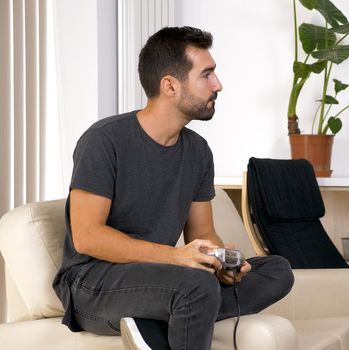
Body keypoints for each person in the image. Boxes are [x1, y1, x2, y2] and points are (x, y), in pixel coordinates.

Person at [52, 26, 294, 350]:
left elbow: (202, 232)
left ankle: (164, 315)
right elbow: (87, 236)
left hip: (163, 276)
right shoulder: (105, 140)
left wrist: (221, 262)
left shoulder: (197, 151)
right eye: (206, 75)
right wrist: (176, 258)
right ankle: (181, 306)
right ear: (170, 85)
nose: (218, 85)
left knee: (277, 270)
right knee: (195, 287)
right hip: (93, 283)